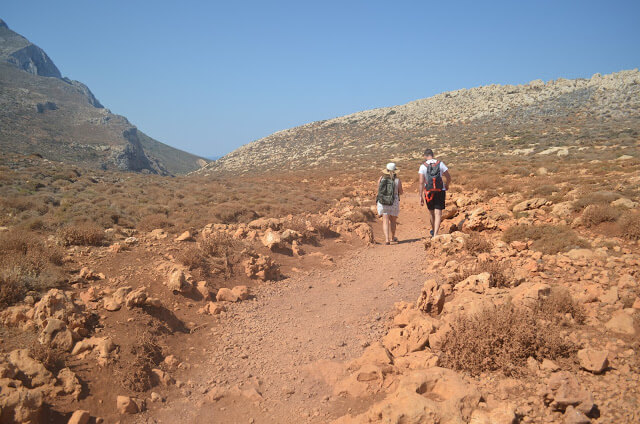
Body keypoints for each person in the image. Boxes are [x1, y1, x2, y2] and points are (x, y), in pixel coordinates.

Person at [418, 148, 451, 237]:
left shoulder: (423, 166)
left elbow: (421, 182)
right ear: (433, 155)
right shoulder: (440, 164)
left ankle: (433, 231)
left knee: (432, 213)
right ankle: (436, 234)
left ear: (425, 156)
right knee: (438, 213)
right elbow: (448, 177)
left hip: (428, 192)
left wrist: (420, 195)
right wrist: (446, 185)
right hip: (440, 190)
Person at [376, 163, 403, 245]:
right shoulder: (397, 180)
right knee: (393, 220)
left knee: (385, 220)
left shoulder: (381, 179)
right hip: (393, 202)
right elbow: (401, 192)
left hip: (383, 201)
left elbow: (378, 190)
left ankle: (387, 239)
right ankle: (392, 237)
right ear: (395, 171)